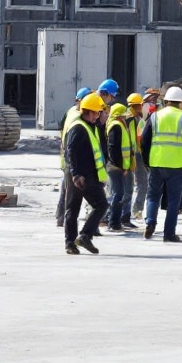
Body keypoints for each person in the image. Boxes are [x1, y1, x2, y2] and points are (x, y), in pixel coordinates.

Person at [140, 86, 182, 242]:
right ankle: (169, 234)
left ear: (165, 101)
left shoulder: (155, 116)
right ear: (181, 103)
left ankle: (150, 222)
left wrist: (146, 161)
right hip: (176, 164)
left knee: (152, 196)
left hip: (156, 162)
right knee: (173, 200)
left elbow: (144, 140)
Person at [63, 93, 109, 255]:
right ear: (89, 111)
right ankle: (80, 238)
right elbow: (71, 151)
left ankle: (76, 240)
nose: (98, 116)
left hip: (87, 174)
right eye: (96, 112)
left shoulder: (91, 126)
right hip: (81, 175)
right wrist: (76, 174)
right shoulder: (78, 128)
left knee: (75, 209)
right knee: (98, 205)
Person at [57, 86, 92, 227]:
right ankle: (66, 219)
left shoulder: (70, 112)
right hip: (71, 157)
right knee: (71, 191)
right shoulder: (78, 117)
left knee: (65, 188)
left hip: (65, 154)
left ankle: (60, 217)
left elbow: (61, 128)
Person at [104, 102, 139, 233]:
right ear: (118, 116)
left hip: (118, 166)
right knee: (117, 195)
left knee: (119, 194)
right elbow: (113, 149)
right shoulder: (115, 126)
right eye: (123, 116)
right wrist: (120, 166)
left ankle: (115, 221)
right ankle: (113, 223)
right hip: (116, 167)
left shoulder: (118, 125)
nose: (125, 118)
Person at [127, 92, 150, 224]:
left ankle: (131, 211)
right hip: (136, 154)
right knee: (142, 184)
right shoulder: (133, 119)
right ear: (137, 106)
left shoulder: (129, 117)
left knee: (131, 185)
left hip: (130, 154)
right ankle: (136, 210)